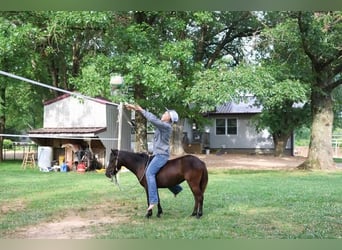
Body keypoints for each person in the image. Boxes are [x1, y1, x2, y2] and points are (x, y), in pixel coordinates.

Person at [125, 103, 183, 212]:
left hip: (161, 156)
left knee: (149, 173)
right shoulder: (163, 125)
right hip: (157, 154)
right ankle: (177, 189)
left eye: (166, 113)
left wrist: (140, 109)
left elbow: (153, 119)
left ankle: (153, 201)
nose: (163, 113)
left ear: (169, 118)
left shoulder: (166, 126)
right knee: (159, 174)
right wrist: (134, 108)